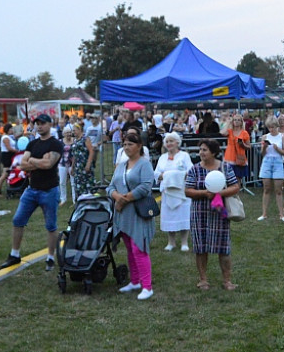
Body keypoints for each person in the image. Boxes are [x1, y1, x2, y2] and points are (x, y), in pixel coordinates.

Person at [0, 114, 64, 271]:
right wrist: (39, 161)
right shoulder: (32, 144)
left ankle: (50, 257)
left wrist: (33, 161)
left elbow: (49, 163)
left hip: (49, 190)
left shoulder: (56, 144)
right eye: (37, 124)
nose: (39, 126)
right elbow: (22, 164)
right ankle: (14, 255)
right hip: (32, 189)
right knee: (17, 220)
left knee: (51, 225)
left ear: (50, 124)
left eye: (43, 123)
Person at [185, 138, 241, 291]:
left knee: (223, 247)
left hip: (219, 212)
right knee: (200, 247)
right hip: (199, 212)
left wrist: (219, 193)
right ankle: (203, 280)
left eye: (204, 150)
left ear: (214, 152)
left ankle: (227, 280)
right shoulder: (194, 169)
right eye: (200, 150)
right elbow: (188, 190)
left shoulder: (225, 167)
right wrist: (205, 193)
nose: (201, 153)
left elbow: (235, 186)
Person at [107, 130, 156, 300]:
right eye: (124, 144)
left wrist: (123, 200)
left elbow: (145, 187)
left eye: (130, 144)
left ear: (139, 146)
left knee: (139, 248)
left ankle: (147, 286)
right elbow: (110, 186)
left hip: (138, 212)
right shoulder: (121, 165)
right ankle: (135, 281)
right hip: (123, 214)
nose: (127, 147)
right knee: (129, 248)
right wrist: (116, 196)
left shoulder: (145, 164)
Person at [154, 131, 193, 251]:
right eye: (167, 141)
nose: (169, 143)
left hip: (182, 191)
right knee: (169, 216)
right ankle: (171, 242)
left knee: (183, 214)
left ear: (177, 142)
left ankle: (184, 242)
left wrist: (177, 175)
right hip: (168, 192)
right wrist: (164, 176)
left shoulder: (184, 156)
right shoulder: (162, 157)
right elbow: (156, 173)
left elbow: (190, 170)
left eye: (171, 141)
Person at [258, 116, 284, 222]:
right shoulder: (265, 137)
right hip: (266, 162)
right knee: (266, 188)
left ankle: (281, 214)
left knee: (278, 189)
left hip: (278, 162)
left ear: (277, 126)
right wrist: (264, 147)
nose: (271, 129)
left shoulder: (282, 137)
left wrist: (277, 149)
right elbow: (262, 154)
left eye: (273, 127)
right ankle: (264, 213)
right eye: (269, 127)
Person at [69, 122, 96, 202]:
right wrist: (72, 167)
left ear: (79, 129)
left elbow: (91, 151)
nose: (73, 132)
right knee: (78, 185)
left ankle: (90, 200)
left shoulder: (85, 138)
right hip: (77, 166)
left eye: (75, 130)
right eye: (72, 131)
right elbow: (74, 155)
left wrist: (88, 164)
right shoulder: (74, 140)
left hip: (84, 164)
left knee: (87, 183)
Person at [221, 115, 251, 186]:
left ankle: (236, 195)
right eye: (235, 120)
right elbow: (222, 133)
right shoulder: (230, 131)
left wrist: (242, 144)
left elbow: (249, 146)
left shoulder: (244, 133)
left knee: (237, 179)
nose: (236, 121)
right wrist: (228, 123)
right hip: (229, 158)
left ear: (241, 122)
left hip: (239, 158)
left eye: (238, 120)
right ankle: (230, 195)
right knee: (228, 179)